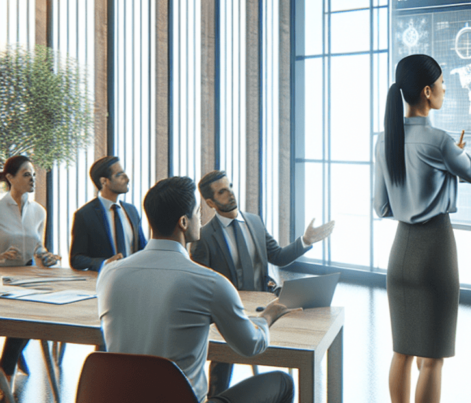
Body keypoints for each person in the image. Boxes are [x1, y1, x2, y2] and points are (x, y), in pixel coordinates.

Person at [374, 54, 471, 403]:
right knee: (432, 359)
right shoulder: (439, 141)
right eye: (442, 82)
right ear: (428, 91)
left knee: (402, 351)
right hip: (434, 252)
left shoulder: (383, 141)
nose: (446, 88)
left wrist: (432, 179)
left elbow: (381, 207)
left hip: (399, 254)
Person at [97, 176, 295, 403]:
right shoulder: (211, 282)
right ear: (183, 222)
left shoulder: (109, 274)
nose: (200, 220)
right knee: (282, 382)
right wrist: (267, 316)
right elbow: (250, 345)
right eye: (197, 213)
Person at [191, 170, 335, 397]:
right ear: (210, 202)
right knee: (221, 367)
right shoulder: (204, 237)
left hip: (263, 303)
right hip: (229, 311)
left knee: (306, 320)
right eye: (222, 191)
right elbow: (200, 283)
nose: (230, 194)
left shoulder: (254, 222)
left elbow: (278, 256)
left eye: (230, 187)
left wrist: (306, 241)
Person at [0, 156, 60, 393]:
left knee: (36, 316)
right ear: (10, 178)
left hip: (27, 281)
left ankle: (7, 372)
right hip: (2, 282)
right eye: (26, 174)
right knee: (22, 324)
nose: (32, 178)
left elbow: (38, 247)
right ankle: (8, 371)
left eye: (33, 174)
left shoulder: (39, 212)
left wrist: (47, 257)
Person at [70, 156, 147, 271]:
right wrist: (106, 263)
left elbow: (142, 249)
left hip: (134, 279)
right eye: (119, 175)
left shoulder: (132, 211)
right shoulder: (85, 215)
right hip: (105, 281)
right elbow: (76, 259)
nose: (127, 178)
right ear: (104, 181)